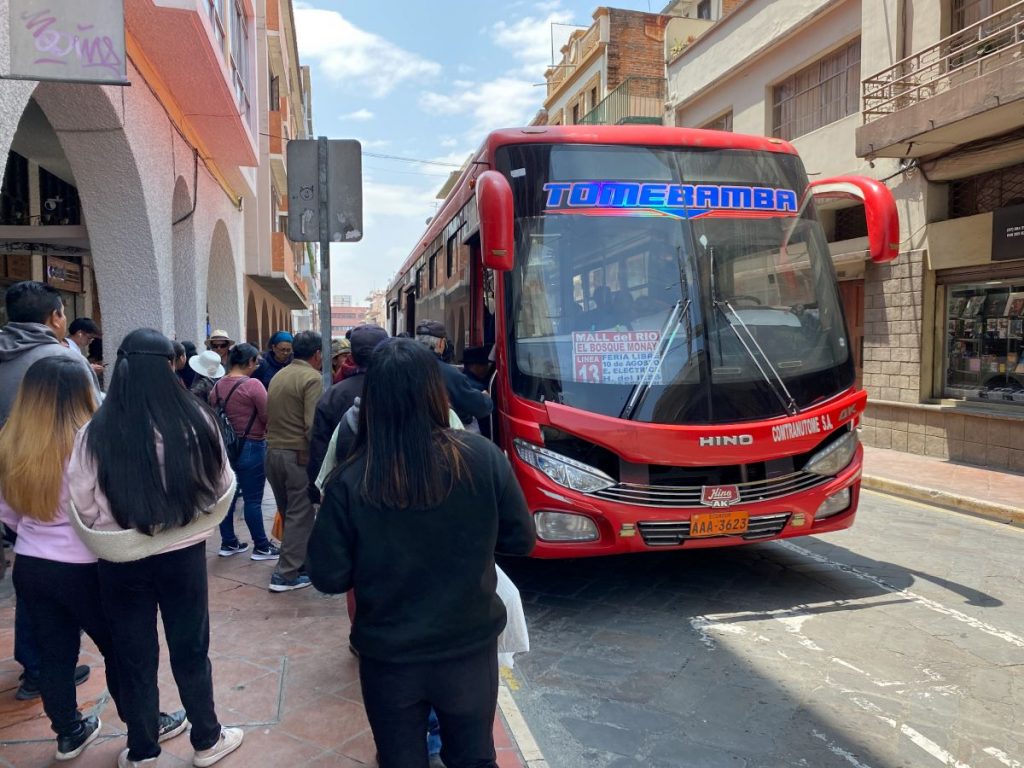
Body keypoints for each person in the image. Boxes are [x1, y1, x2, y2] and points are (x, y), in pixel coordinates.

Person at [308, 338, 535, 768]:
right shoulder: (483, 458)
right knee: (474, 758)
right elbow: (521, 539)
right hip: (468, 648)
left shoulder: (350, 478)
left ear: (371, 398)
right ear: (436, 391)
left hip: (389, 658)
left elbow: (327, 575)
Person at [68, 328, 243, 768]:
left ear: (121, 365)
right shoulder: (195, 419)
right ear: (170, 366)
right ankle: (207, 739)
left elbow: (82, 502)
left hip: (120, 560)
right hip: (182, 555)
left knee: (133, 655)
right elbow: (221, 485)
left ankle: (142, 748)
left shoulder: (95, 431)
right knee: (190, 650)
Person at [0, 358, 190, 761]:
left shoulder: (9, 441)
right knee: (121, 651)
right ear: (84, 392)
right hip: (90, 566)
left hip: (31, 566)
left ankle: (68, 732)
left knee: (55, 653)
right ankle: (146, 723)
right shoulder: (94, 442)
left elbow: (8, 514)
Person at [0, 281, 99, 700]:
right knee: (87, 610)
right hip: (59, 483)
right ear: (55, 317)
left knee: (30, 574)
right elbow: (93, 419)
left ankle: (34, 665)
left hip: (13, 479)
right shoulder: (62, 361)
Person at [209, 343, 279, 560]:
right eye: (255, 362)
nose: (256, 366)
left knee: (228, 496)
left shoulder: (217, 386)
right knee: (253, 499)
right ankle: (261, 546)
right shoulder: (253, 385)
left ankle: (229, 543)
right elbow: (268, 416)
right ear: (248, 362)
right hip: (252, 445)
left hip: (226, 448)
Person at [264, 330, 322, 593]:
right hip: (295, 455)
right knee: (300, 513)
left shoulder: (280, 374)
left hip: (273, 453)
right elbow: (312, 426)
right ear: (318, 354)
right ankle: (285, 575)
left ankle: (296, 563)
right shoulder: (311, 377)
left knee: (289, 512)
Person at [308, 324, 388, 500]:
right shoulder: (399, 390)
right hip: (391, 488)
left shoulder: (333, 395)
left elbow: (319, 447)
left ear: (352, 356)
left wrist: (316, 490)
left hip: (346, 489)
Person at [414, 319, 493, 430]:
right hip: (440, 437)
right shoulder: (448, 373)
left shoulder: (403, 367)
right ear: (441, 343)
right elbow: (481, 407)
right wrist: (485, 398)